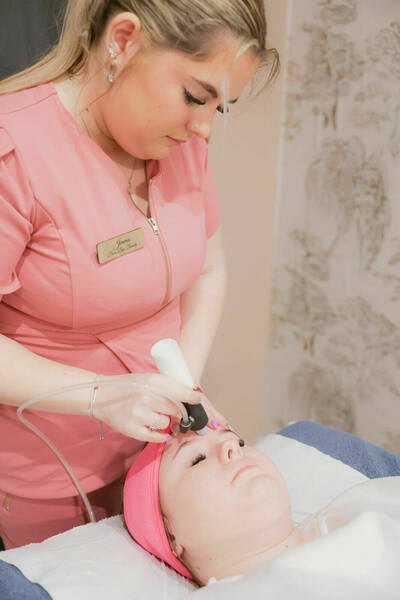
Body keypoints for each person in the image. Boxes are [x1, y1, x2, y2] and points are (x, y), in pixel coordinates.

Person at [0, 1, 279, 549]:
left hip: (157, 461)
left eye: (219, 107)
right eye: (195, 96)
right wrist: (101, 396)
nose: (203, 128)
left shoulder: (182, 144)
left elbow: (209, 268)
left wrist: (184, 390)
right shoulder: (16, 154)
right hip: (46, 478)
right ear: (124, 40)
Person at [124, 424, 400, 588]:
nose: (232, 447)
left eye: (239, 441)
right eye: (198, 459)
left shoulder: (368, 501)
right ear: (171, 535)